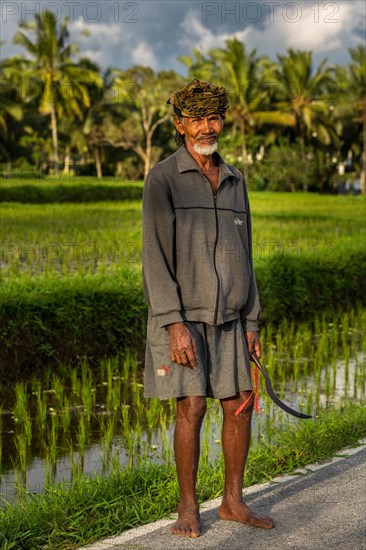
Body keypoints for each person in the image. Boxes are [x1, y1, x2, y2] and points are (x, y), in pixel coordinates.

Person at [142, 79, 274, 538]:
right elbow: (154, 258)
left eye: (214, 117)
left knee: (238, 404)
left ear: (223, 121)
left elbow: (247, 252)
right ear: (180, 125)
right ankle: (187, 507)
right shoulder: (162, 178)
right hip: (183, 318)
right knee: (192, 407)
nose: (206, 126)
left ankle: (234, 502)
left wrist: (252, 321)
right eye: (196, 118)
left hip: (233, 317)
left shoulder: (236, 180)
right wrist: (173, 324)